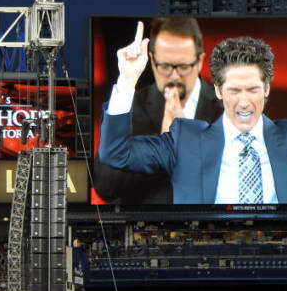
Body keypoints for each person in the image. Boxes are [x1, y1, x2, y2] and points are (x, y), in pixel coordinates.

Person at [98, 22, 287, 204]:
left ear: (267, 89)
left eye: (253, 90)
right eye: (234, 91)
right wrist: (127, 79)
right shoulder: (184, 140)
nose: (244, 102)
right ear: (219, 91)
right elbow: (115, 154)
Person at [93, 17, 222, 204]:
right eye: (165, 66)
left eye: (184, 67)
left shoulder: (225, 109)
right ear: (152, 61)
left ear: (200, 61)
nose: (174, 76)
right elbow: (105, 188)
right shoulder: (129, 105)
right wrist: (127, 81)